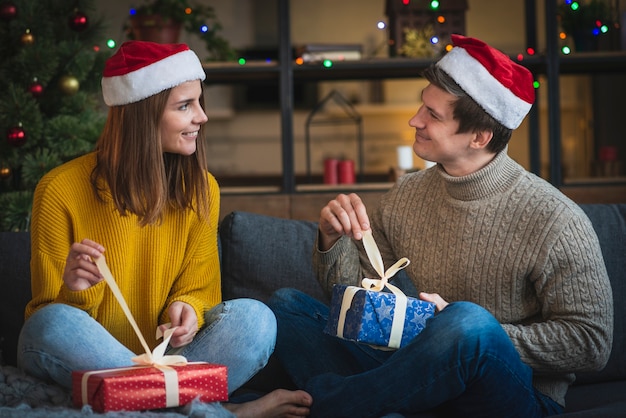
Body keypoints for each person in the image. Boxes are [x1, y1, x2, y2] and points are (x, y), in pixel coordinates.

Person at [267, 34, 614, 418]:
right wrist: (332, 242)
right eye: (422, 106)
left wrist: (462, 336)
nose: (415, 120)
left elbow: (591, 343)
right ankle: (383, 403)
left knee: (468, 322)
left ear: (480, 137)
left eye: (433, 115)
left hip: (514, 394)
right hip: (413, 373)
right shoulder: (406, 195)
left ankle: (334, 405)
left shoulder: (555, 218)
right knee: (285, 306)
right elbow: (356, 308)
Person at [17, 40, 311, 418]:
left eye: (199, 103)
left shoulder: (202, 189)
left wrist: (186, 309)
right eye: (185, 106)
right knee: (52, 322)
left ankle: (144, 404)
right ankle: (224, 413)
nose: (202, 117)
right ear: (143, 115)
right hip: (88, 359)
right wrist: (75, 291)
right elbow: (48, 318)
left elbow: (200, 288)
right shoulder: (59, 189)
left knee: (256, 319)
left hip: (167, 360)